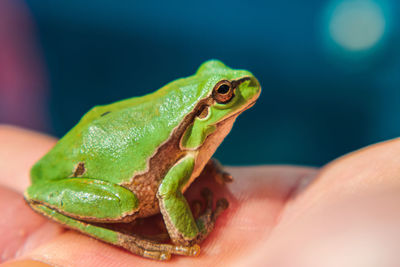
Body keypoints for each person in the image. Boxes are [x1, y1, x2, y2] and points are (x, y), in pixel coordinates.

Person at [1, 125, 400, 267]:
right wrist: (190, 237)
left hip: (90, 147)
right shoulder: (183, 153)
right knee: (128, 204)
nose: (241, 91)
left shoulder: (196, 139)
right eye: (224, 93)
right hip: (109, 182)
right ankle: (134, 236)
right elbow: (166, 190)